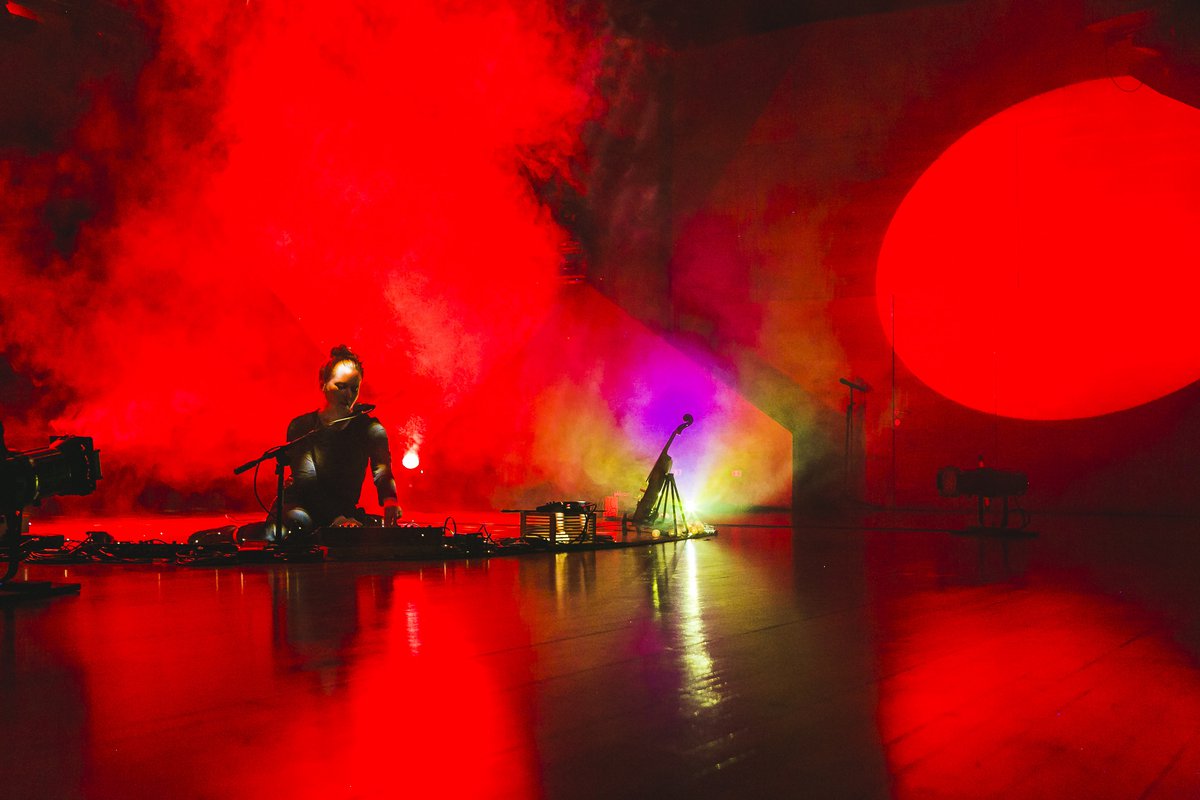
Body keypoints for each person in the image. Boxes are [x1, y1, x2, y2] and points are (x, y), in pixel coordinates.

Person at [269, 345, 401, 540]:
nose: (348, 395)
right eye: (341, 386)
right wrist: (336, 519)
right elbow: (307, 482)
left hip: (343, 510)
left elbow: (382, 468)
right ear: (322, 383)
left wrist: (390, 500)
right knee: (299, 525)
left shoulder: (370, 428)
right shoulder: (302, 426)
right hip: (301, 506)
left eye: (354, 389)